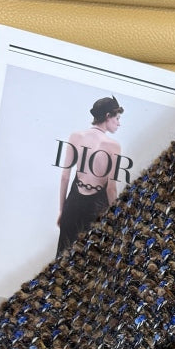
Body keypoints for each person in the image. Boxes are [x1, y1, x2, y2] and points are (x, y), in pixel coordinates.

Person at [56, 96, 124, 257]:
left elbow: (65, 177)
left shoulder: (76, 136)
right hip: (96, 208)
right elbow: (111, 189)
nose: (119, 123)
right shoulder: (113, 146)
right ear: (108, 116)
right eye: (117, 118)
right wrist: (117, 219)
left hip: (73, 204)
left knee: (62, 258)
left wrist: (62, 210)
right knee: (88, 259)